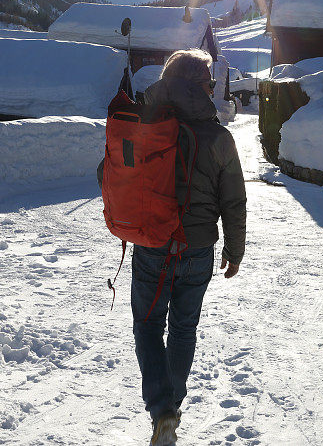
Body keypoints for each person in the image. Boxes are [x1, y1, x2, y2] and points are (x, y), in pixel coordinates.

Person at [132, 49, 246, 445]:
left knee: (148, 325)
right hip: (198, 250)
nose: (214, 90)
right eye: (211, 83)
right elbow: (233, 200)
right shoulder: (218, 136)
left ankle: (161, 409)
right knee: (183, 330)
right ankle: (170, 411)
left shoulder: (144, 121)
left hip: (151, 244)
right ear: (199, 86)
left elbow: (108, 173)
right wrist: (235, 248)